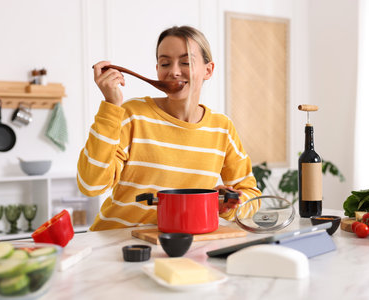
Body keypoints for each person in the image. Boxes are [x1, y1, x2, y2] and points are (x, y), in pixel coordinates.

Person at [77, 25, 261, 231]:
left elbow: (251, 197)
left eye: (186, 62)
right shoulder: (132, 114)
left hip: (181, 244)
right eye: (165, 63)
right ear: (157, 69)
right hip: (117, 242)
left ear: (208, 70)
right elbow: (91, 185)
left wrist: (226, 204)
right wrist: (111, 106)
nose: (173, 72)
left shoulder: (222, 128)